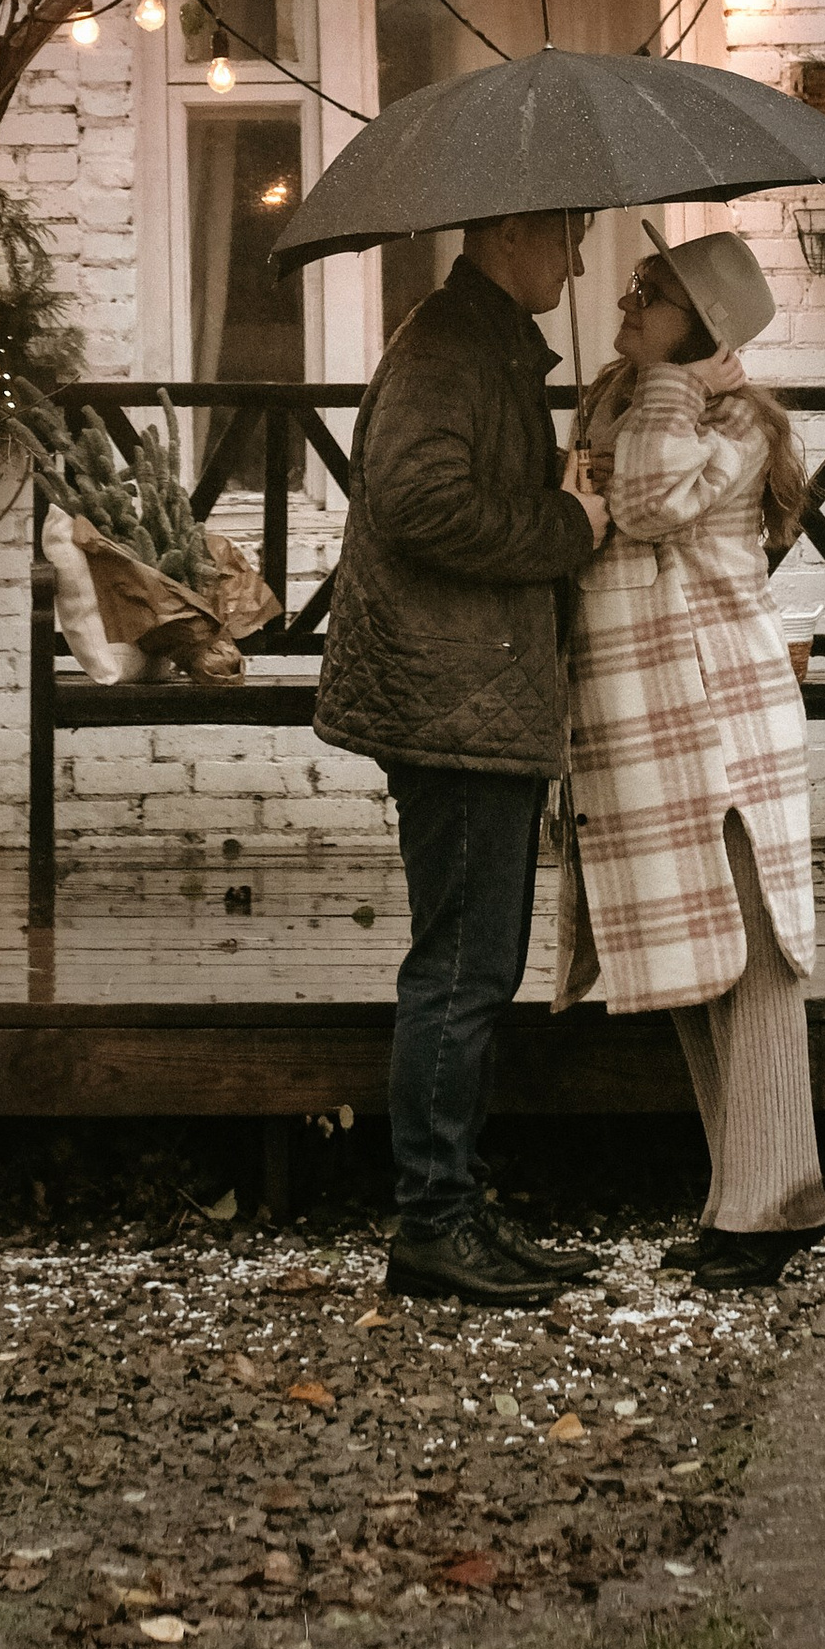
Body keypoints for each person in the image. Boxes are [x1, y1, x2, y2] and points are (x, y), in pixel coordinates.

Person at [316, 210, 612, 1304]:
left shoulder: (479, 343)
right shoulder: (448, 345)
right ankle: (431, 1223)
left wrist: (552, 486)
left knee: (472, 964)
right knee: (459, 969)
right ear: (511, 233)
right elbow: (416, 500)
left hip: (471, 693)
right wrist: (566, 523)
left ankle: (453, 1208)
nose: (578, 261)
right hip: (452, 701)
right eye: (567, 239)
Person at [554, 222, 825, 1290]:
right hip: (641, 722)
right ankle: (739, 1196)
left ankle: (774, 1206)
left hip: (718, 719)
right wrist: (645, 388)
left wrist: (667, 388)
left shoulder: (732, 422)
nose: (626, 301)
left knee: (750, 961)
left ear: (703, 330)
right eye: (633, 286)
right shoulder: (622, 401)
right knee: (687, 960)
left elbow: (643, 503)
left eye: (652, 294)